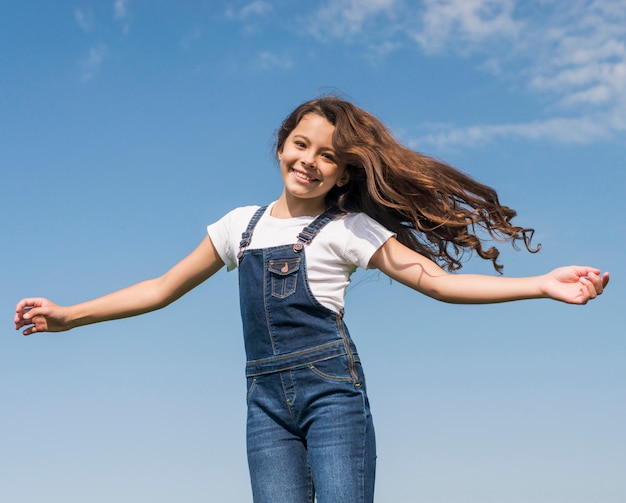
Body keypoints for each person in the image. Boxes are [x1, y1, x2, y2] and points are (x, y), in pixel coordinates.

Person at [14, 96, 609, 502]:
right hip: (265, 404)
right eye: (302, 145)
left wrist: (539, 284)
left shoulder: (349, 229)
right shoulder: (236, 228)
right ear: (281, 145)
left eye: (330, 157)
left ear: (346, 174)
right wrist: (69, 316)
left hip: (333, 396)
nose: (311, 162)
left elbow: (436, 281)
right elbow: (159, 289)